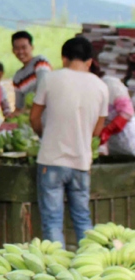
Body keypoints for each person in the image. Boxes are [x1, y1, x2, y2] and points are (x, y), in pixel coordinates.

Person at [32, 37, 108, 245]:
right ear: (90, 61)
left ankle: (57, 271)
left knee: (52, 222)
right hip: (82, 163)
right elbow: (98, 130)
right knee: (82, 219)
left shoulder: (50, 79)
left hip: (52, 161)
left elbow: (34, 117)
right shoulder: (101, 87)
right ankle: (90, 268)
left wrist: (44, 136)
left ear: (64, 58)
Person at [92, 59, 135, 158]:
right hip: (113, 145)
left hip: (128, 138)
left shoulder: (110, 84)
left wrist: (107, 131)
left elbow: (127, 111)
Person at [10, 31, 52, 118]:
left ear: (32, 47)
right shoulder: (17, 77)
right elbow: (19, 107)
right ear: (13, 50)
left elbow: (43, 88)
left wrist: (25, 110)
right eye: (17, 48)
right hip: (29, 121)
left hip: (45, 117)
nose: (20, 52)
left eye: (24, 47)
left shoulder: (40, 62)